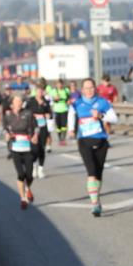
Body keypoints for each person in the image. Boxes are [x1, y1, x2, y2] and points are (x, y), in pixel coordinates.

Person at [71, 78, 114, 216]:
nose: (89, 90)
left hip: (101, 141)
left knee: (99, 174)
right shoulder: (77, 103)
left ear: (95, 88)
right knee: (91, 173)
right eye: (86, 88)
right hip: (84, 141)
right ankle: (94, 204)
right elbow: (71, 116)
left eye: (91, 88)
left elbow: (114, 118)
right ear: (82, 90)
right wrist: (71, 129)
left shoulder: (102, 102)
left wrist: (101, 116)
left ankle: (96, 198)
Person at [3, 93, 38, 210]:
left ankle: (28, 188)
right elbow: (5, 128)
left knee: (29, 174)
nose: (18, 104)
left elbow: (36, 126)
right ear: (12, 104)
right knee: (20, 174)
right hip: (15, 147)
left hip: (27, 146)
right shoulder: (8, 115)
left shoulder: (28, 113)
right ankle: (23, 198)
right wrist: (7, 135)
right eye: (16, 102)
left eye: (20, 101)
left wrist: (35, 135)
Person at [25, 81, 53, 180]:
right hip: (33, 127)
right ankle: (33, 167)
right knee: (34, 148)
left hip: (43, 127)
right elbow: (25, 112)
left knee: (42, 149)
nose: (40, 93)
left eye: (42, 91)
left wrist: (48, 115)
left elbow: (50, 114)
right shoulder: (31, 101)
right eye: (38, 91)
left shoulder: (46, 102)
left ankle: (41, 169)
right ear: (35, 91)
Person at [47, 79, 71, 144]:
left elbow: (69, 98)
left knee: (64, 125)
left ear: (62, 84)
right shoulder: (53, 91)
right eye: (58, 84)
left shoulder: (66, 90)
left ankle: (63, 138)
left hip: (64, 109)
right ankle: (60, 138)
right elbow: (49, 99)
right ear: (56, 85)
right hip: (56, 110)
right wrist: (54, 98)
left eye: (60, 84)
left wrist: (69, 101)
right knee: (58, 126)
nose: (59, 85)